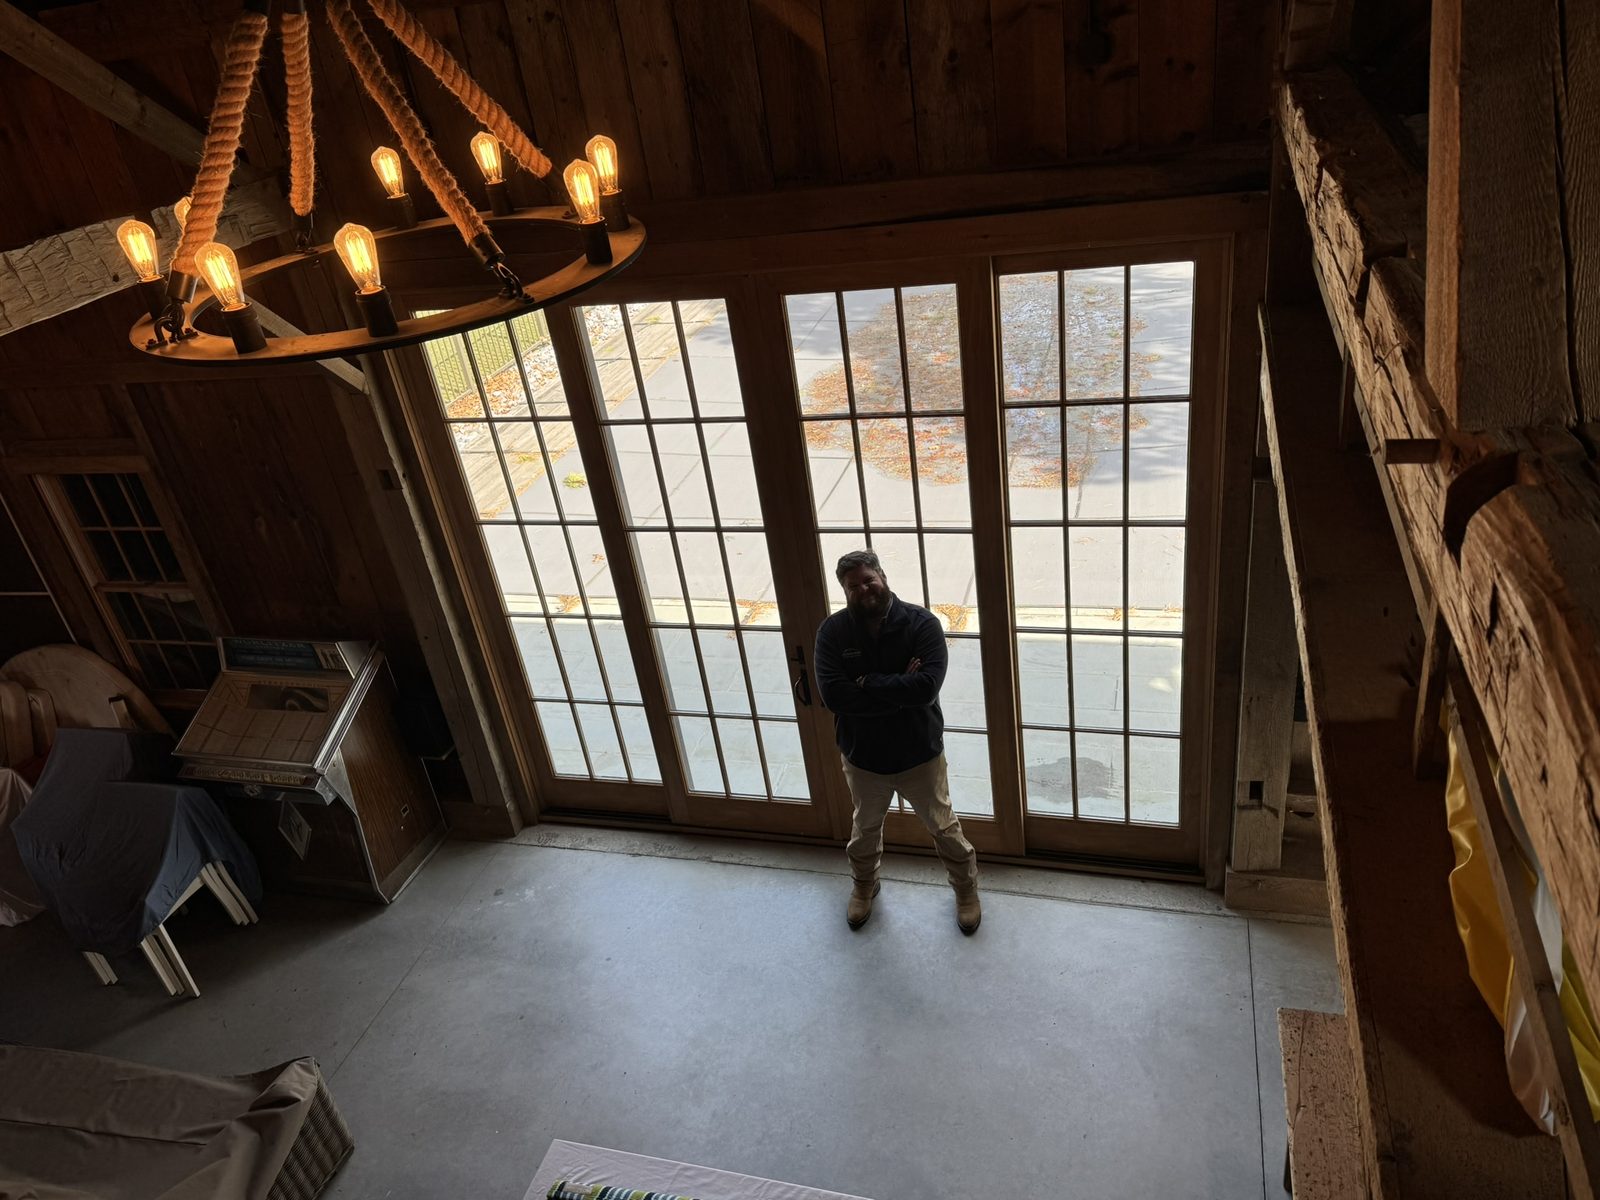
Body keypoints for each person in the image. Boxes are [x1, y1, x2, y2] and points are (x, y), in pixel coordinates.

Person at [813, 549, 980, 933]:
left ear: (883, 576)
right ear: (844, 590)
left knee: (944, 828)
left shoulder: (922, 624)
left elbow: (924, 689)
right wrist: (897, 691)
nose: (863, 589)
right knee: (864, 830)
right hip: (863, 756)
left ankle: (966, 890)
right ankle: (864, 886)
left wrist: (867, 682)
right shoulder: (833, 632)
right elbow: (834, 697)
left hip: (919, 753)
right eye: (852, 585)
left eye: (869, 580)